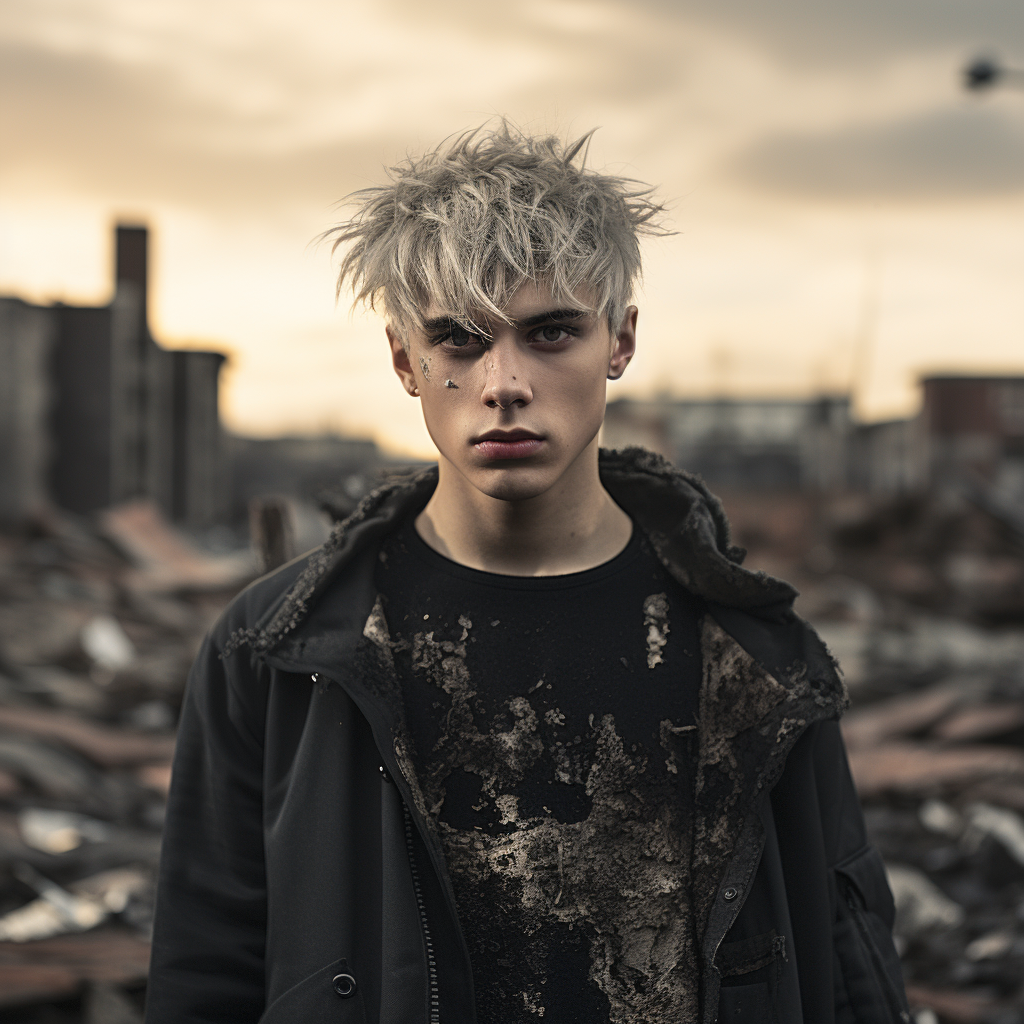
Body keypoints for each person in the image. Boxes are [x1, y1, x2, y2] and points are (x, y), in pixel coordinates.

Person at [145, 123, 909, 1024]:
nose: (504, 380)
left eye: (551, 334)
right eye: (460, 341)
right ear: (404, 361)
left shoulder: (755, 650)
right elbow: (205, 968)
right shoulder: (272, 650)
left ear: (620, 342)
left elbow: (850, 970)